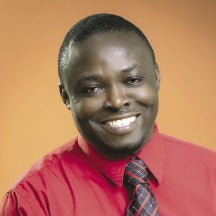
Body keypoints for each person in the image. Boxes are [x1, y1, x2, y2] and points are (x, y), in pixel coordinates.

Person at [0, 13, 216, 216]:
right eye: (93, 89)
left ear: (156, 77)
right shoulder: (34, 200)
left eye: (132, 80)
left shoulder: (211, 173)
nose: (117, 101)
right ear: (66, 96)